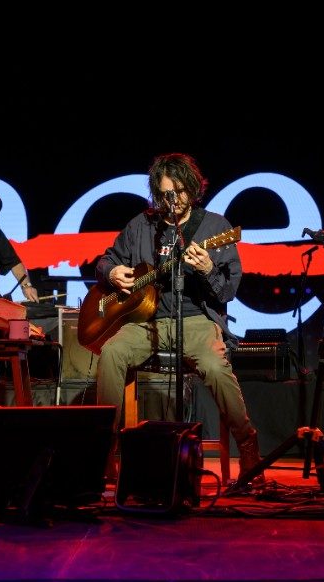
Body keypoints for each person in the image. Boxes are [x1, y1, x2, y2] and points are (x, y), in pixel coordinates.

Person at [93, 153, 263, 486]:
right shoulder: (141, 225)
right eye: (167, 195)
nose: (174, 201)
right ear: (157, 195)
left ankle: (248, 446)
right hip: (147, 320)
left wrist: (208, 269)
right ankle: (103, 450)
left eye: (181, 192)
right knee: (112, 352)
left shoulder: (216, 228)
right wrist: (113, 272)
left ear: (192, 189)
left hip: (197, 319)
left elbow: (228, 290)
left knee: (215, 368)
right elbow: (105, 260)